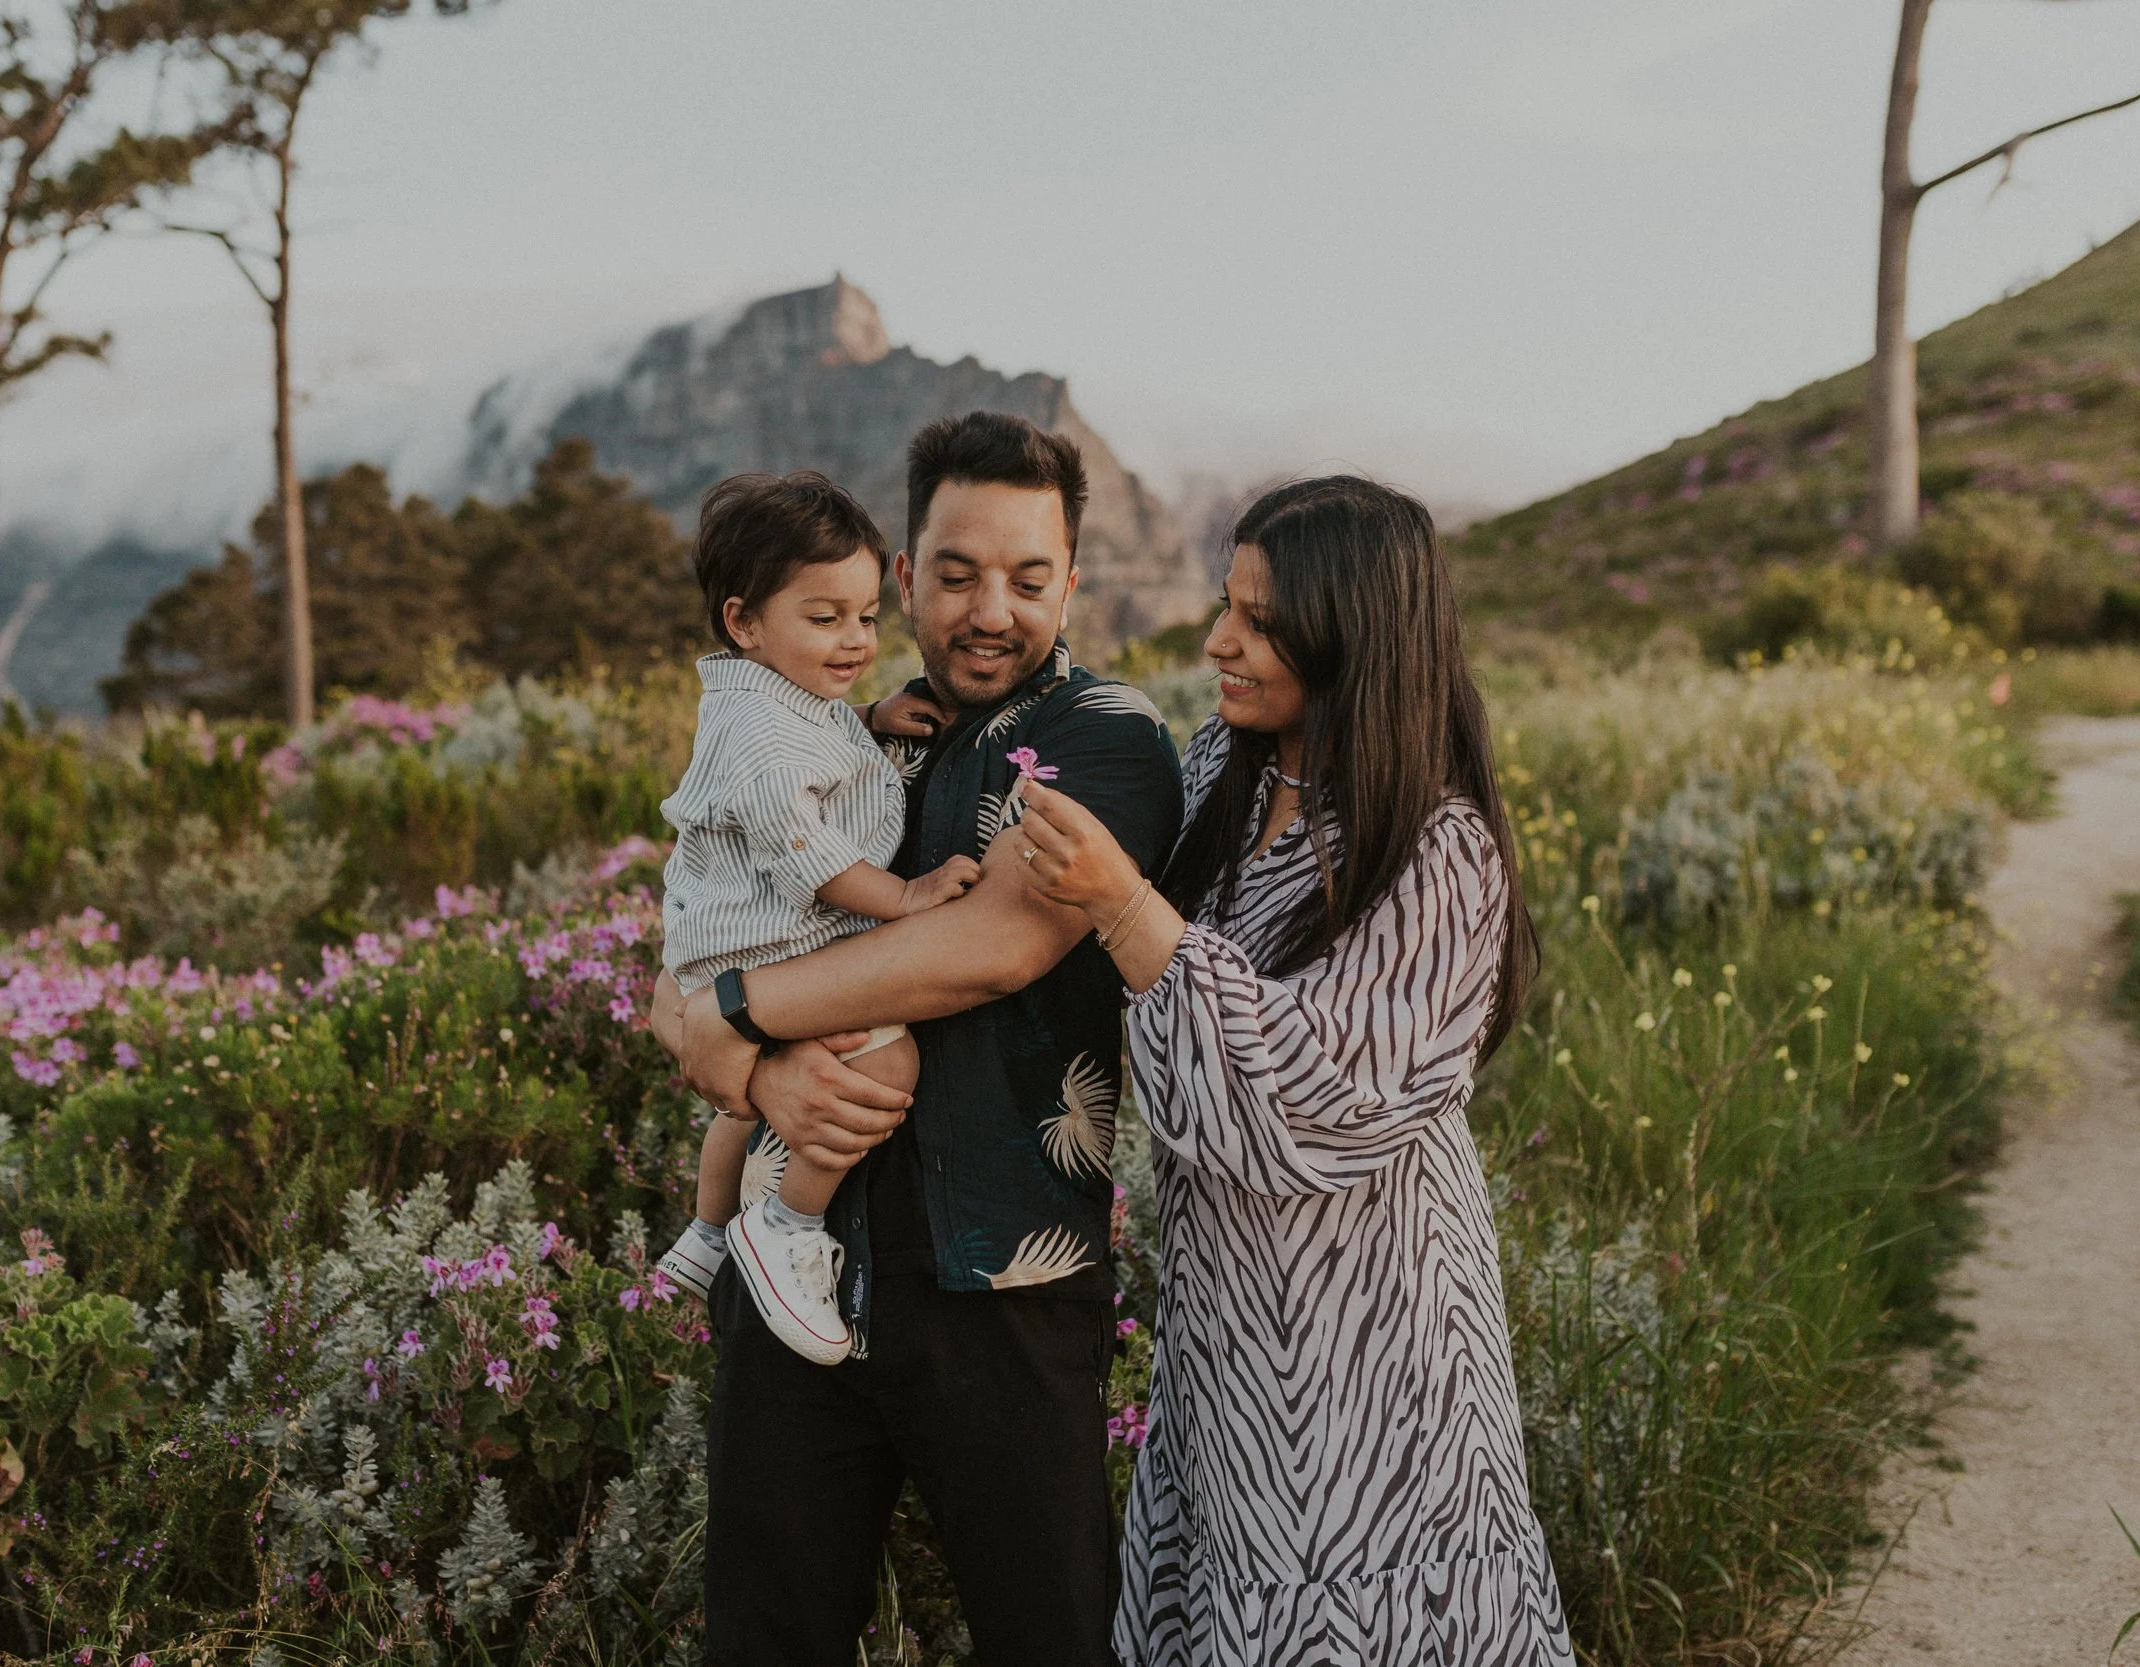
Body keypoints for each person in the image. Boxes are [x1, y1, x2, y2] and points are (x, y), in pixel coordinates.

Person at [1003, 475, 1576, 1665]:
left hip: (1373, 1354)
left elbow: (1310, 1108)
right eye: (1226, 604)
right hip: (1229, 1338)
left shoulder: (1436, 850)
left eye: (1259, 620)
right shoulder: (1227, 765)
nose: (1218, 639)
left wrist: (1125, 906)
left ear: (1354, 633)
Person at [663, 410, 1185, 1666]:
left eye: (1025, 576)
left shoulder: (1106, 737)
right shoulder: (829, 721)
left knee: (1043, 1632)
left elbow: (989, 947)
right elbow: (691, 927)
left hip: (1003, 1281)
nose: (988, 608)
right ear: (906, 576)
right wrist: (745, 1057)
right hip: (799, 1268)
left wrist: (731, 1017)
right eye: (954, 575)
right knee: (766, 1631)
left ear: (1071, 580)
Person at [652, 470, 973, 1365]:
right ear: (743, 621)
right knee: (887, 1054)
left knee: (733, 1108)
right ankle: (787, 1224)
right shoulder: (759, 732)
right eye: (824, 619)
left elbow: (810, 746)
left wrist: (866, 719)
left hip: (723, 942)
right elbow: (809, 852)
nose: (855, 640)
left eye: (867, 617)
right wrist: (905, 896)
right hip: (772, 938)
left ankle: (710, 1231)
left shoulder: (772, 702)